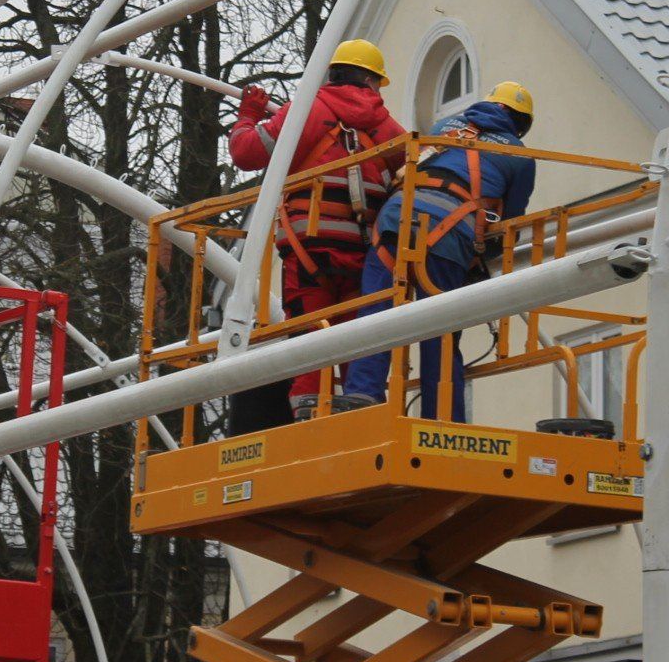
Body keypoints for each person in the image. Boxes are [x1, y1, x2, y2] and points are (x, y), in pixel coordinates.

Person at [228, 39, 407, 418]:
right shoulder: (385, 125)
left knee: (309, 337)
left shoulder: (307, 111)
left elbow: (247, 153)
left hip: (309, 251)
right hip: (362, 254)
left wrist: (247, 116)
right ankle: (361, 413)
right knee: (353, 339)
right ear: (371, 81)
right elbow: (412, 170)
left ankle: (308, 414)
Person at [340, 81, 537, 423]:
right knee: (439, 328)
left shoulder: (443, 127)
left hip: (395, 219)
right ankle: (442, 418)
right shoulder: (519, 155)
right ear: (520, 123)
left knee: (376, 308)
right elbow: (510, 224)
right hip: (449, 231)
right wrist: (480, 256)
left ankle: (362, 394)